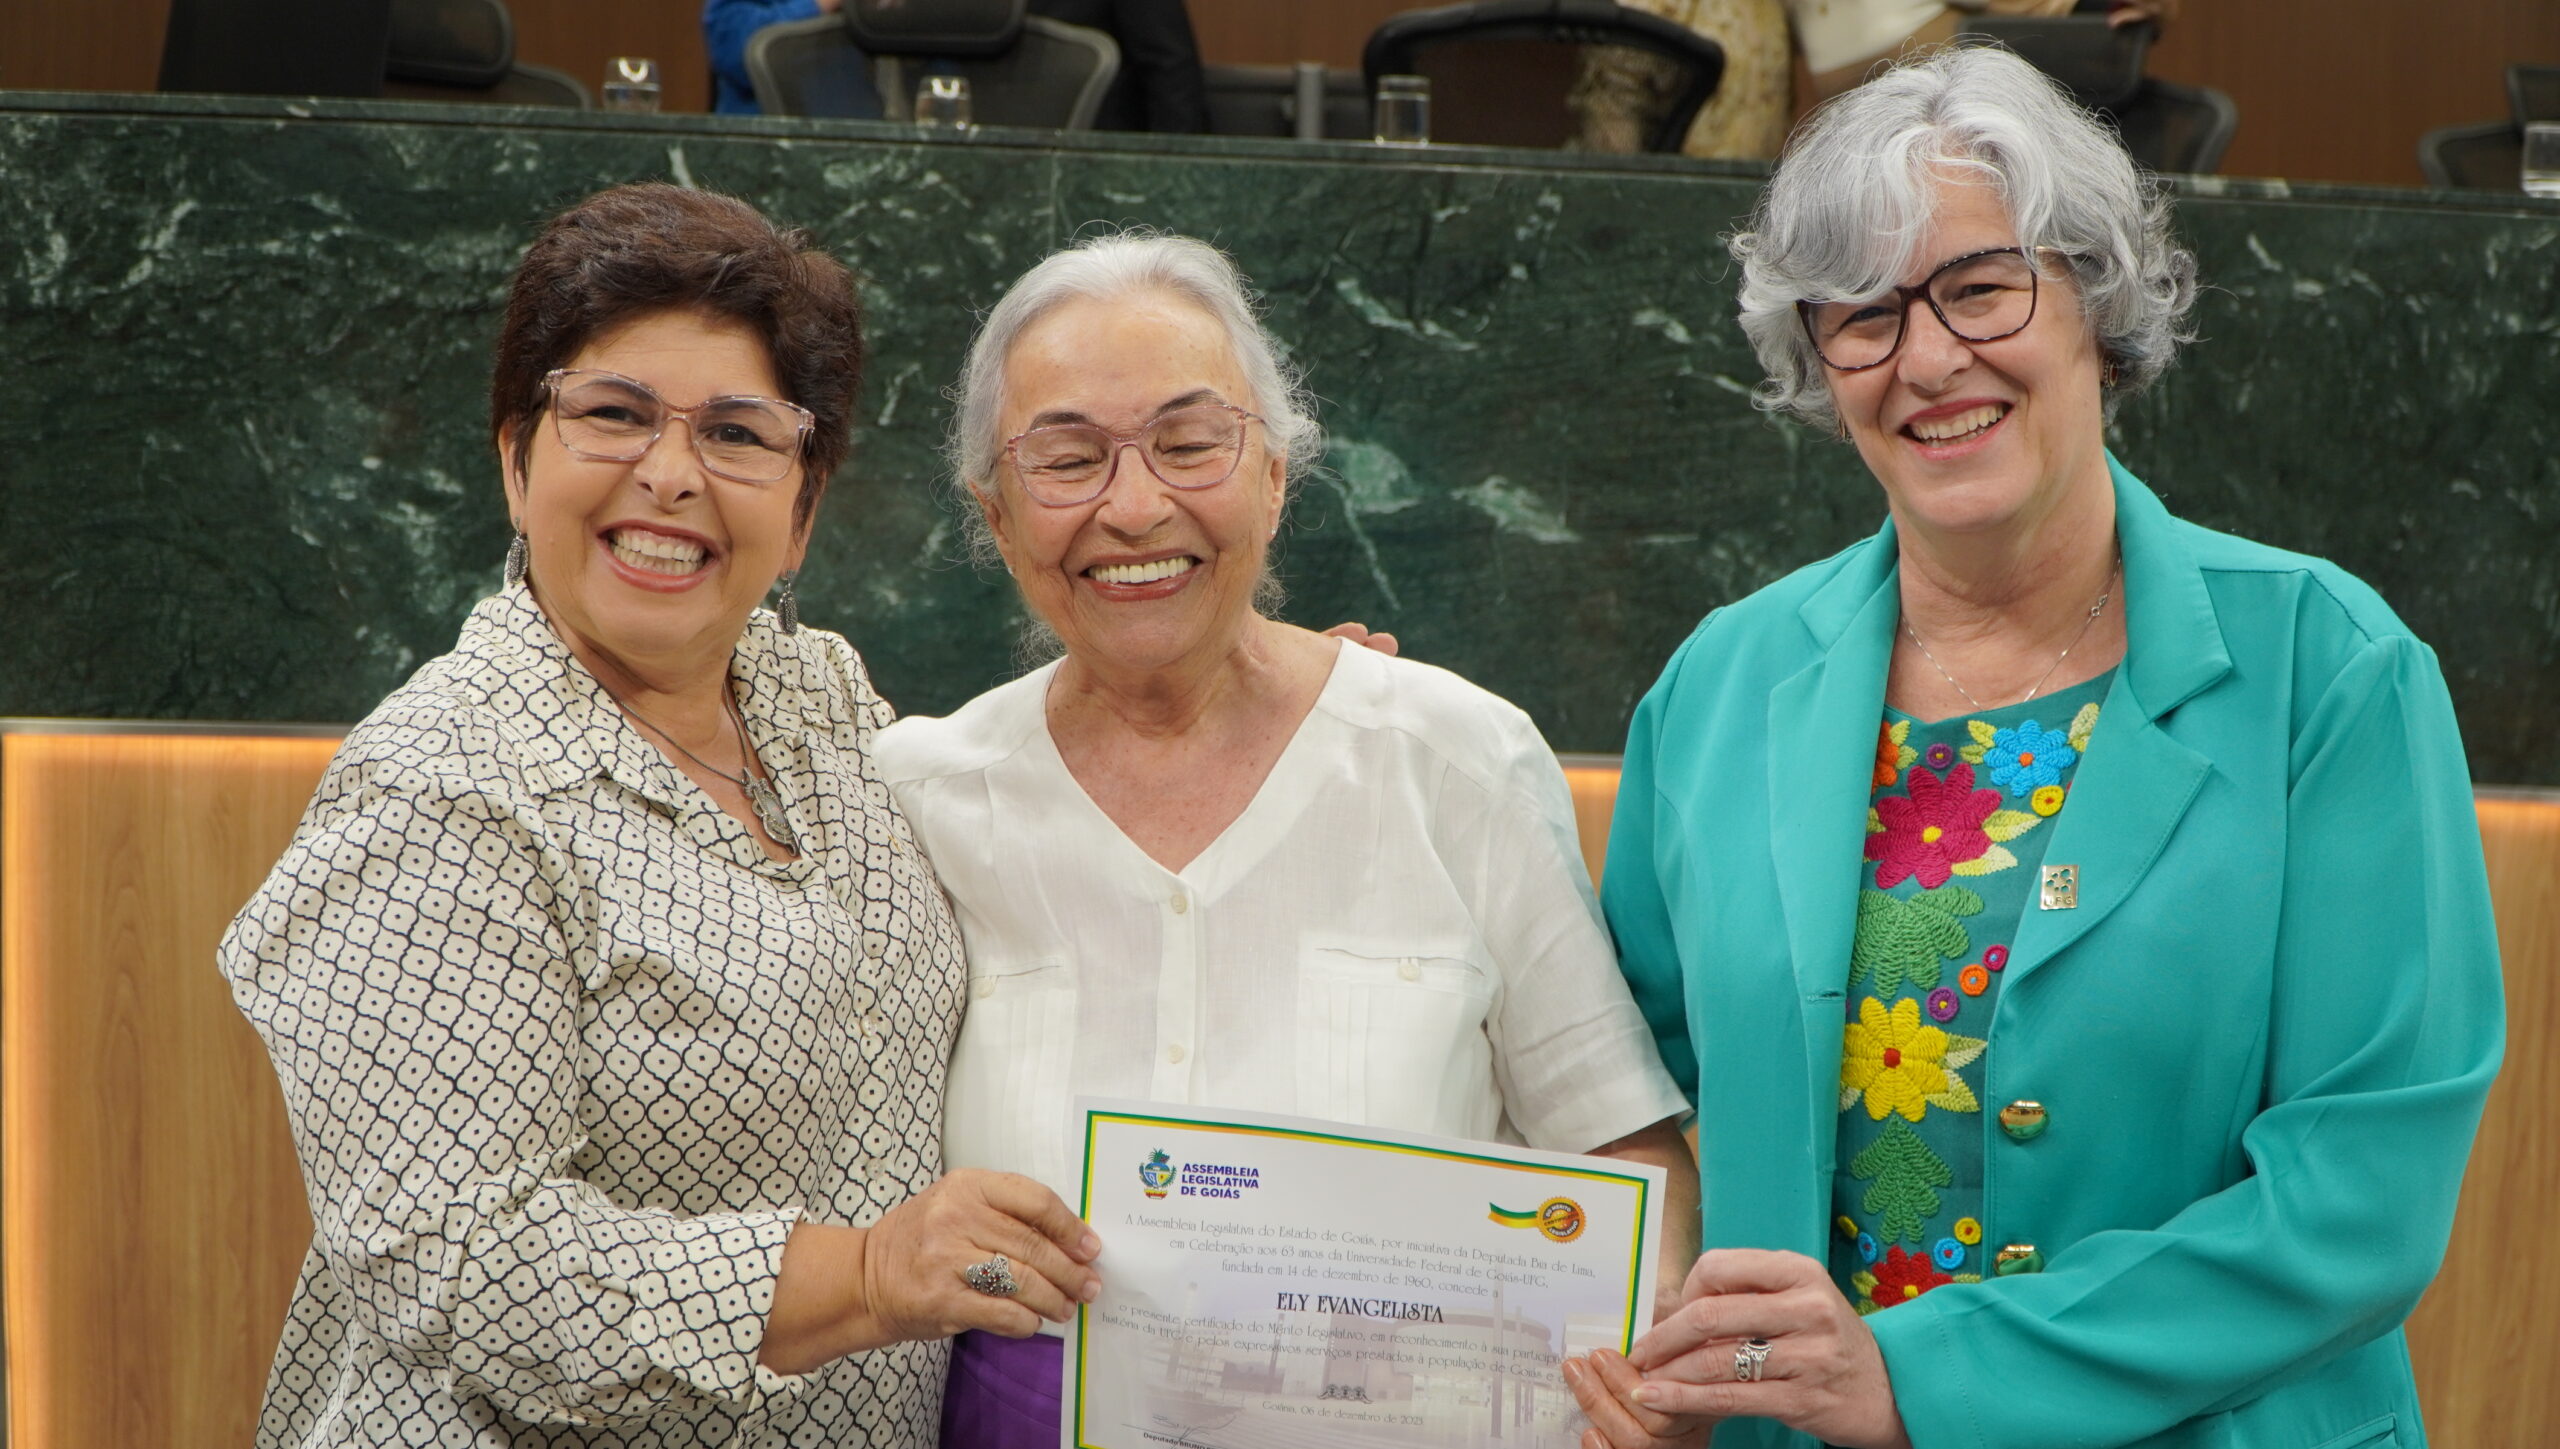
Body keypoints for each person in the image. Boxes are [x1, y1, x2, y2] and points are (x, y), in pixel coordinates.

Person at [1561, 43, 2507, 1449]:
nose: (1928, 358)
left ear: (2096, 304)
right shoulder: (1722, 684)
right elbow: (1609, 1105)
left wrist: (1918, 1378)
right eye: (1862, 314)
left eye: (1980, 286)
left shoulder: (2329, 669)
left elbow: (2358, 1201)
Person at [219, 183, 1097, 1448]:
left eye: (737, 433)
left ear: (800, 512)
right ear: (517, 461)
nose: (672, 474)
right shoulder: (435, 788)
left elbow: (1019, 832)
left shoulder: (818, 698)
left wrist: (1245, 702)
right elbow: (456, 1266)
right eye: (614, 414)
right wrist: (864, 1276)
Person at [873, 231, 1699, 1448]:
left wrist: (1647, 1371)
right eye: (1068, 459)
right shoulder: (918, 799)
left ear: (1273, 476)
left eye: (1189, 442)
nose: (1134, 506)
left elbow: (1627, 1155)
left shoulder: (1453, 759)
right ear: (997, 520)